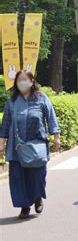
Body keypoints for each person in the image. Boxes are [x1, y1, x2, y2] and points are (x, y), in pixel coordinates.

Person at [0, 70, 61, 219]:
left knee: (38, 175)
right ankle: (24, 206)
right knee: (18, 177)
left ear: (32, 81)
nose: (22, 82)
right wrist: (1, 143)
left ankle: (37, 197)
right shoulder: (12, 101)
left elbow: (51, 118)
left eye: (25, 79)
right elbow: (5, 124)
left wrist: (56, 137)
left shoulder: (41, 98)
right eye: (19, 80)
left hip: (37, 145)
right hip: (17, 147)